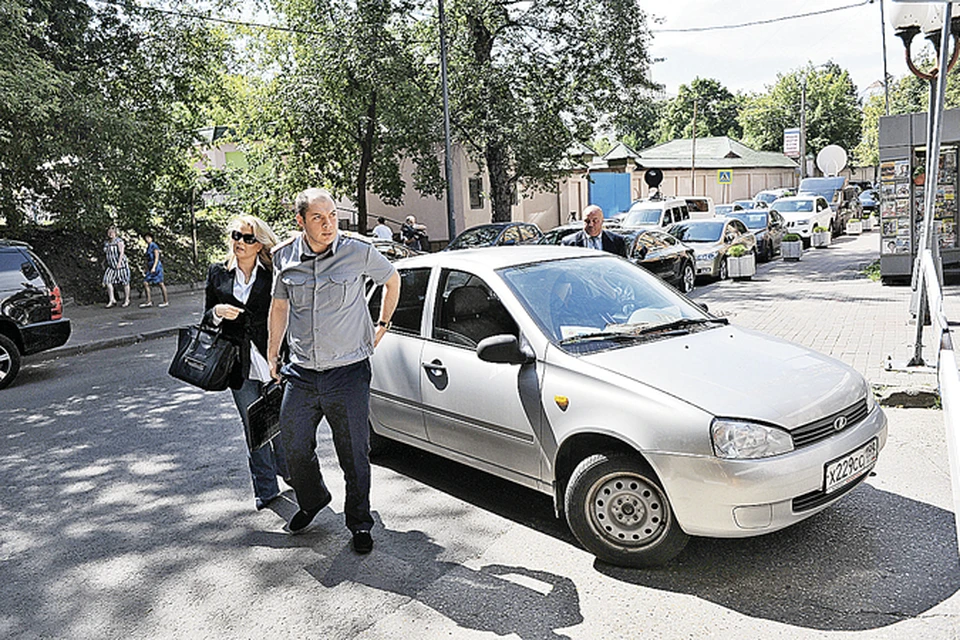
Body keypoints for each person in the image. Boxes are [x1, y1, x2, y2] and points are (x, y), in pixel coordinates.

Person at [268, 187, 400, 553]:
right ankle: (312, 500)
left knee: (354, 453)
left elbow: (392, 281)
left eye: (332, 217)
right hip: (302, 372)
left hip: (348, 372)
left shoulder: (358, 252)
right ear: (300, 221)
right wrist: (272, 353)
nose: (329, 225)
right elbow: (279, 307)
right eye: (318, 218)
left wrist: (382, 325)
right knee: (294, 448)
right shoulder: (284, 258)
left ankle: (359, 522)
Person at [203, 216, 289, 511]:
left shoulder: (272, 273)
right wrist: (216, 312)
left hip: (273, 359)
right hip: (238, 366)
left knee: (281, 422)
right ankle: (266, 490)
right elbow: (205, 318)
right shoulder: (218, 273)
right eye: (236, 235)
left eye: (248, 238)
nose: (240, 242)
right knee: (254, 427)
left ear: (259, 243)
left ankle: (290, 472)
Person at [561, 205, 628, 257]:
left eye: (595, 221)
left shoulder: (616, 241)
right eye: (587, 221)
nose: (591, 224)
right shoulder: (569, 243)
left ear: (602, 221)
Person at [102, 226, 131, 308]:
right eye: (109, 233)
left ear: (115, 233)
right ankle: (112, 300)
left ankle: (127, 299)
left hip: (121, 266)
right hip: (111, 266)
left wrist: (119, 263)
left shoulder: (119, 241)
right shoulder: (107, 243)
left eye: (112, 233)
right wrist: (104, 262)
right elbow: (106, 254)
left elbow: (121, 252)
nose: (110, 234)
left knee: (125, 282)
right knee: (107, 281)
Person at [140, 232, 169, 308]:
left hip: (156, 266)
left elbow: (156, 257)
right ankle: (148, 301)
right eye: (146, 238)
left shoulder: (154, 246)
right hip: (150, 266)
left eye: (148, 238)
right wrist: (146, 268)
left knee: (160, 283)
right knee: (145, 282)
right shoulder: (148, 246)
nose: (147, 239)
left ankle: (165, 301)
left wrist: (154, 267)